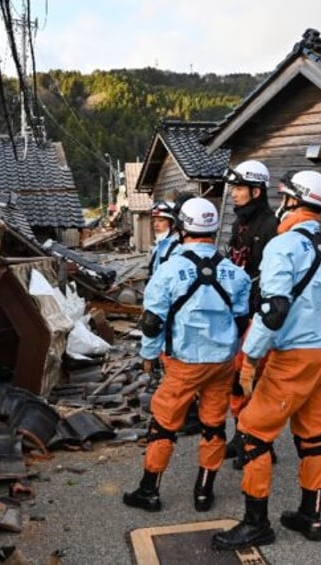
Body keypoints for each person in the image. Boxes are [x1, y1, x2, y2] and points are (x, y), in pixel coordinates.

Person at [213, 170, 321, 550]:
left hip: (295, 357)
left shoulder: (282, 246)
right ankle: (311, 515)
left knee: (253, 435)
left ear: (291, 200)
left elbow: (273, 311)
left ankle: (257, 524)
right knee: (312, 434)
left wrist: (251, 356)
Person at [123, 197, 251, 513]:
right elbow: (241, 318)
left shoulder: (168, 271)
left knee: (164, 425)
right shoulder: (235, 273)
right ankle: (204, 492)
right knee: (214, 425)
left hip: (183, 361)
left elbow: (153, 322)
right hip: (221, 362)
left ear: (181, 228)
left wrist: (149, 356)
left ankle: (149, 490)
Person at [222, 160, 278, 467]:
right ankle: (240, 434)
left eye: (239, 188)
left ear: (256, 191)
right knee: (236, 380)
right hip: (238, 312)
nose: (234, 194)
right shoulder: (238, 223)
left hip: (258, 314)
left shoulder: (271, 226)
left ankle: (260, 442)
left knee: (252, 380)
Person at [147, 200, 178, 277]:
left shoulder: (178, 249)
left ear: (173, 224)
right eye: (154, 221)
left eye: (161, 221)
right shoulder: (159, 245)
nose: (155, 225)